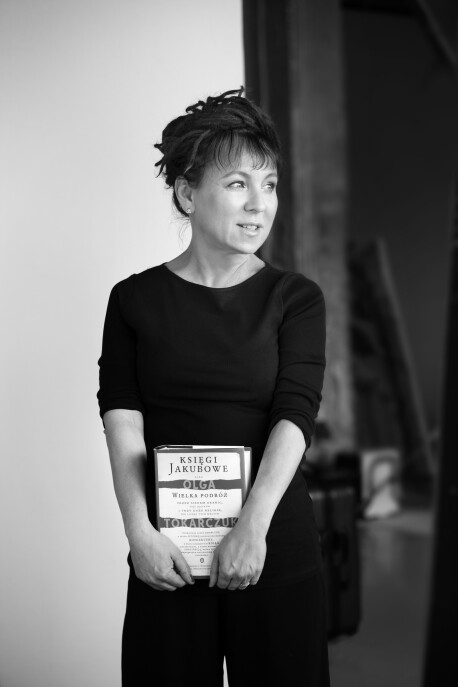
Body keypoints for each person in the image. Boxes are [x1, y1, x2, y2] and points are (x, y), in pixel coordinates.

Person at [97, 87, 329, 687]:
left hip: (272, 541)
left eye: (269, 184)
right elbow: (122, 421)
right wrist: (139, 534)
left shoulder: (296, 298)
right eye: (237, 184)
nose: (259, 204)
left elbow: (295, 416)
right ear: (187, 194)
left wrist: (252, 528)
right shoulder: (133, 300)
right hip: (167, 555)